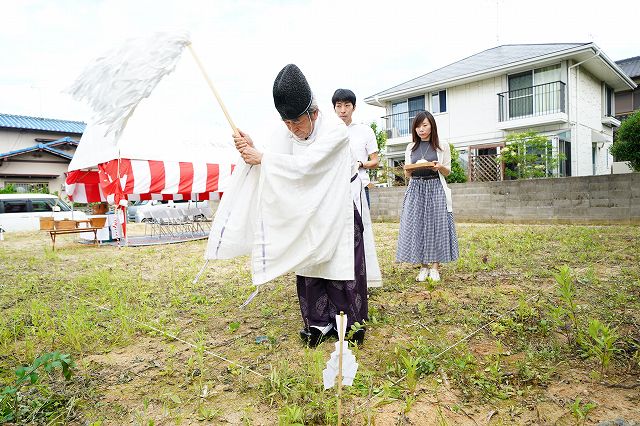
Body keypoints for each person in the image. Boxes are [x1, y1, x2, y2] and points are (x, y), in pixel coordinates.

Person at [205, 64, 374, 347]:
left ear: (315, 113)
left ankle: (350, 322)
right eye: (288, 124)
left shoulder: (336, 131)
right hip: (304, 214)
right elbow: (272, 162)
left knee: (341, 265)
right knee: (308, 262)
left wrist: (263, 158)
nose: (294, 130)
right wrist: (253, 149)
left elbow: (307, 165)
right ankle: (318, 324)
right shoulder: (286, 133)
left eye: (298, 123)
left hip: (338, 210)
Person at [396, 111, 459, 282]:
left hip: (435, 186)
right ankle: (423, 267)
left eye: (424, 125)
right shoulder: (411, 147)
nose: (421, 129)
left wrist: (438, 167)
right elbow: (408, 175)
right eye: (418, 126)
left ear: (432, 125)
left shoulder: (441, 145)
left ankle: (435, 267)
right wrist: (408, 169)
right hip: (416, 187)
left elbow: (448, 171)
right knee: (418, 226)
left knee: (436, 225)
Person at [332, 89, 379, 207]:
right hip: (335, 190)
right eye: (339, 106)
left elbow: (375, 161)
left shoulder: (366, 131)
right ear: (334, 108)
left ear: (354, 107)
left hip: (360, 186)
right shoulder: (328, 132)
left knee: (362, 225)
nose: (343, 110)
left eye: (347, 105)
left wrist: (360, 164)